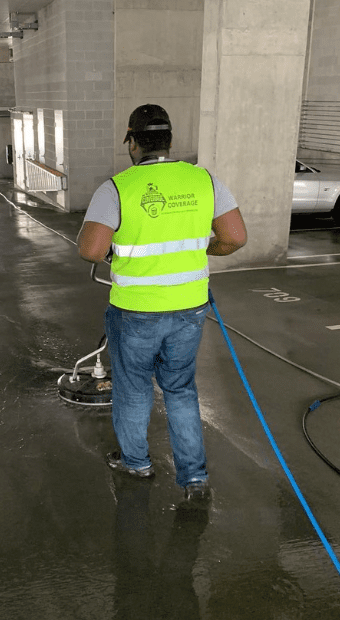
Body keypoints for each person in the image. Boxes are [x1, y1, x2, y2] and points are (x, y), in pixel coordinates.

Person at [77, 104, 247, 500]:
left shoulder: (116, 188)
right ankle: (194, 477)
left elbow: (90, 249)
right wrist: (201, 252)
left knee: (134, 388)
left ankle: (136, 462)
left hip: (135, 309)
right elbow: (235, 237)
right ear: (169, 141)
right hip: (190, 307)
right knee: (181, 388)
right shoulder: (204, 180)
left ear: (132, 142)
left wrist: (115, 255)